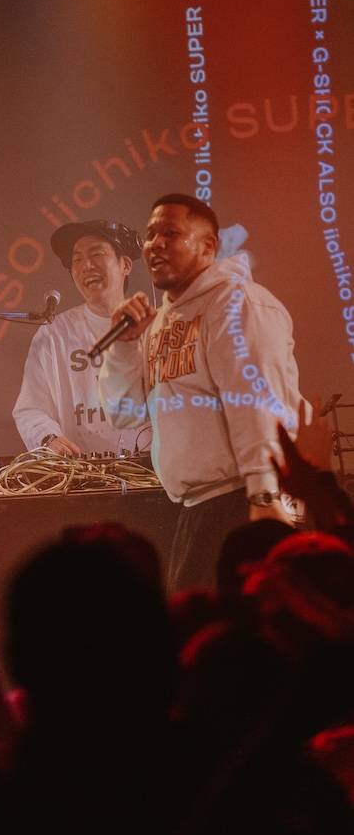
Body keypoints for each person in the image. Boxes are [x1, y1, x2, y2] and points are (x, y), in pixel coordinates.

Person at [98, 193, 306, 594]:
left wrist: (264, 495)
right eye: (150, 235)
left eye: (170, 233)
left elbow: (255, 402)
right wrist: (123, 346)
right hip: (198, 509)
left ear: (208, 246)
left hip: (244, 501)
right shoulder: (162, 321)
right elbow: (124, 414)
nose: (155, 244)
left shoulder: (235, 303)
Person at [12, 220, 145, 457]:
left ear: (125, 265)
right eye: (77, 260)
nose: (86, 266)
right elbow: (31, 409)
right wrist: (48, 437)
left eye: (97, 254)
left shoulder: (158, 328)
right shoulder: (54, 333)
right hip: (83, 473)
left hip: (154, 471)